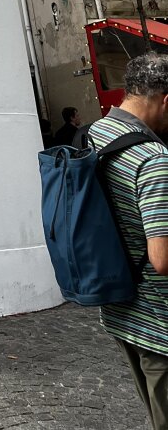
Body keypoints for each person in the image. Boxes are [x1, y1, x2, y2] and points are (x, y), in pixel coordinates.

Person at [89, 52, 168, 429]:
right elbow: (163, 259)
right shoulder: (152, 158)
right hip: (160, 319)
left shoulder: (96, 134)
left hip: (121, 305)